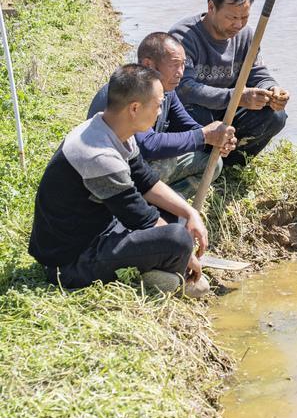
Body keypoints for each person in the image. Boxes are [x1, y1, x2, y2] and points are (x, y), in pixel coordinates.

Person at [29, 64, 211, 297]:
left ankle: (158, 270)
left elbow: (145, 180)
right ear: (134, 108)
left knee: (175, 212)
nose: (159, 112)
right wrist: (185, 252)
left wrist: (190, 214)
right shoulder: (98, 156)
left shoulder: (111, 128)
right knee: (177, 239)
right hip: (71, 262)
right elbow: (141, 217)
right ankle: (161, 278)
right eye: (158, 105)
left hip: (98, 225)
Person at [88, 33, 236, 198]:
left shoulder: (165, 92)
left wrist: (217, 139)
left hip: (138, 165)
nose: (181, 72)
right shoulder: (130, 92)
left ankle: (162, 207)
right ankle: (145, 208)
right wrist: (203, 136)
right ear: (148, 65)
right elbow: (147, 146)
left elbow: (187, 125)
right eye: (174, 65)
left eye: (183, 65)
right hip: (109, 173)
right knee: (167, 160)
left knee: (212, 162)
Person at [170, 0, 288, 166]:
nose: (238, 25)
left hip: (228, 112)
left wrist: (272, 89)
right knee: (195, 114)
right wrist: (237, 97)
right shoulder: (184, 37)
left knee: (275, 116)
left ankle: (228, 165)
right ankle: (198, 163)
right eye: (232, 17)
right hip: (195, 112)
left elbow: (256, 72)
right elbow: (184, 88)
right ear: (211, 7)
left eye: (244, 17)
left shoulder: (247, 35)